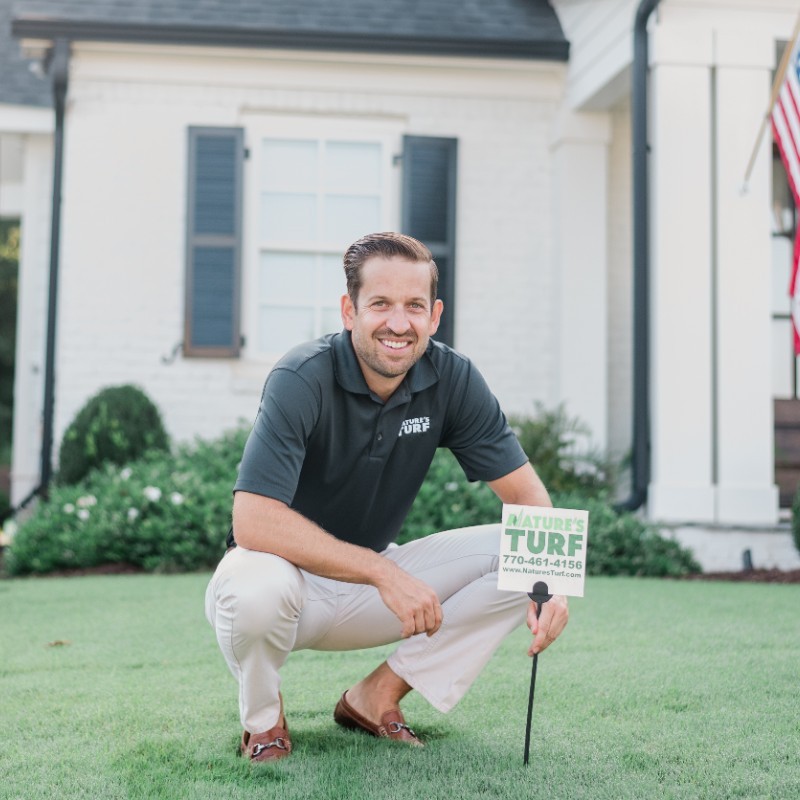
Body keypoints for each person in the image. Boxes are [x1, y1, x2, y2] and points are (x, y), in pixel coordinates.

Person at [205, 231, 569, 763]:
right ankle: (264, 722)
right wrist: (383, 573)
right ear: (349, 310)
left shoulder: (453, 378)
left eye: (414, 306)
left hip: (369, 591)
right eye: (380, 304)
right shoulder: (301, 376)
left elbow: (528, 498)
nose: (399, 323)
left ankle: (375, 697)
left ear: (435, 314)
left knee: (528, 552)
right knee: (253, 589)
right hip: (282, 585)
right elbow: (253, 520)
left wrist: (550, 581)